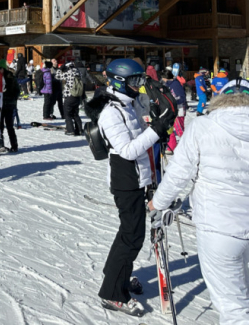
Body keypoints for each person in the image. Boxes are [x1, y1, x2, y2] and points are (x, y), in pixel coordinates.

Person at [149, 79, 249, 325]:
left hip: (219, 227)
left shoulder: (204, 126)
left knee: (234, 307)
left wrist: (158, 203)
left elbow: (179, 173)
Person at [97, 58, 170, 317]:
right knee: (132, 237)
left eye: (141, 80)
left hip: (138, 177)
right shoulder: (111, 113)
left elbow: (143, 138)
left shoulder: (129, 105)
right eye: (135, 81)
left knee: (129, 234)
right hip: (125, 181)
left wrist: (158, 121)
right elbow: (128, 151)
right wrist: (156, 130)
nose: (140, 85)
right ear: (119, 81)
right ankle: (112, 294)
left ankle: (116, 275)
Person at [160, 70, 187, 154]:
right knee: (169, 128)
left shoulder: (175, 84)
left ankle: (186, 146)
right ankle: (171, 146)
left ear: (166, 78)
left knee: (179, 129)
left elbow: (181, 97)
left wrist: (172, 101)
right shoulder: (167, 85)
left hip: (178, 109)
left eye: (163, 78)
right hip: (171, 109)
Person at [0, 59, 19, 152]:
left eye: (0, 68)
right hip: (0, 105)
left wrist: (14, 99)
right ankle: (0, 145)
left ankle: (14, 145)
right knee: (0, 126)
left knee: (10, 126)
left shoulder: (11, 77)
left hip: (9, 104)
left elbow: (17, 90)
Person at [57, 61, 83, 136]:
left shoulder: (69, 73)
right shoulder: (78, 72)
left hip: (69, 96)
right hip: (77, 96)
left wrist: (60, 69)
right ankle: (79, 130)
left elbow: (58, 77)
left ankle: (70, 130)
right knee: (75, 114)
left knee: (67, 114)